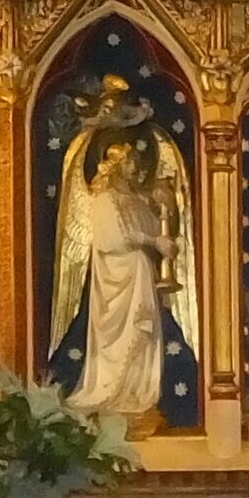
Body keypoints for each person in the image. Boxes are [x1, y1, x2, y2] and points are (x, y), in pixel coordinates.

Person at [52, 94, 195, 425]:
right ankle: (112, 395)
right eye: (130, 162)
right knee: (121, 342)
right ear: (117, 166)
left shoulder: (136, 199)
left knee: (144, 341)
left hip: (141, 277)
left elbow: (162, 232)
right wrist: (152, 241)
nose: (136, 167)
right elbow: (111, 240)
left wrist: (165, 209)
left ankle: (139, 396)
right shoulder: (104, 199)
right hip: (118, 282)